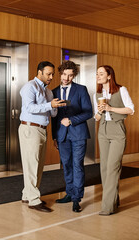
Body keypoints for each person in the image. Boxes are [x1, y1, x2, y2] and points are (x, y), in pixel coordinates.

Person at [19, 61, 66, 212]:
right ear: (39, 72)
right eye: (48, 74)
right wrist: (49, 105)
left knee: (38, 166)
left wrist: (56, 106)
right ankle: (33, 200)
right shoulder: (30, 87)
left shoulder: (49, 92)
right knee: (31, 165)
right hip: (29, 128)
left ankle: (27, 195)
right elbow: (29, 108)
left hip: (42, 129)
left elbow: (51, 113)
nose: (51, 77)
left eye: (52, 74)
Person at [51, 61, 92, 212]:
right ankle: (69, 193)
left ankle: (76, 198)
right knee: (66, 164)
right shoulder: (53, 92)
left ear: (74, 75)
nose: (66, 78)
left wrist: (72, 120)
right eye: (64, 74)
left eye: (70, 75)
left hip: (78, 134)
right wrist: (54, 137)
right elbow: (53, 118)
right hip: (62, 135)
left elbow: (88, 112)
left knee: (77, 165)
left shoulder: (81, 90)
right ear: (60, 73)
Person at [94, 65, 134, 216]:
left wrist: (110, 109)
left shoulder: (120, 90)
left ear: (109, 76)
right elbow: (96, 118)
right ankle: (113, 200)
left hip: (117, 131)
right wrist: (99, 110)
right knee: (104, 168)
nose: (98, 76)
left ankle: (107, 207)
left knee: (112, 167)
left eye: (101, 73)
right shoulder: (97, 93)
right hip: (103, 131)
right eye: (97, 73)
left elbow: (130, 109)